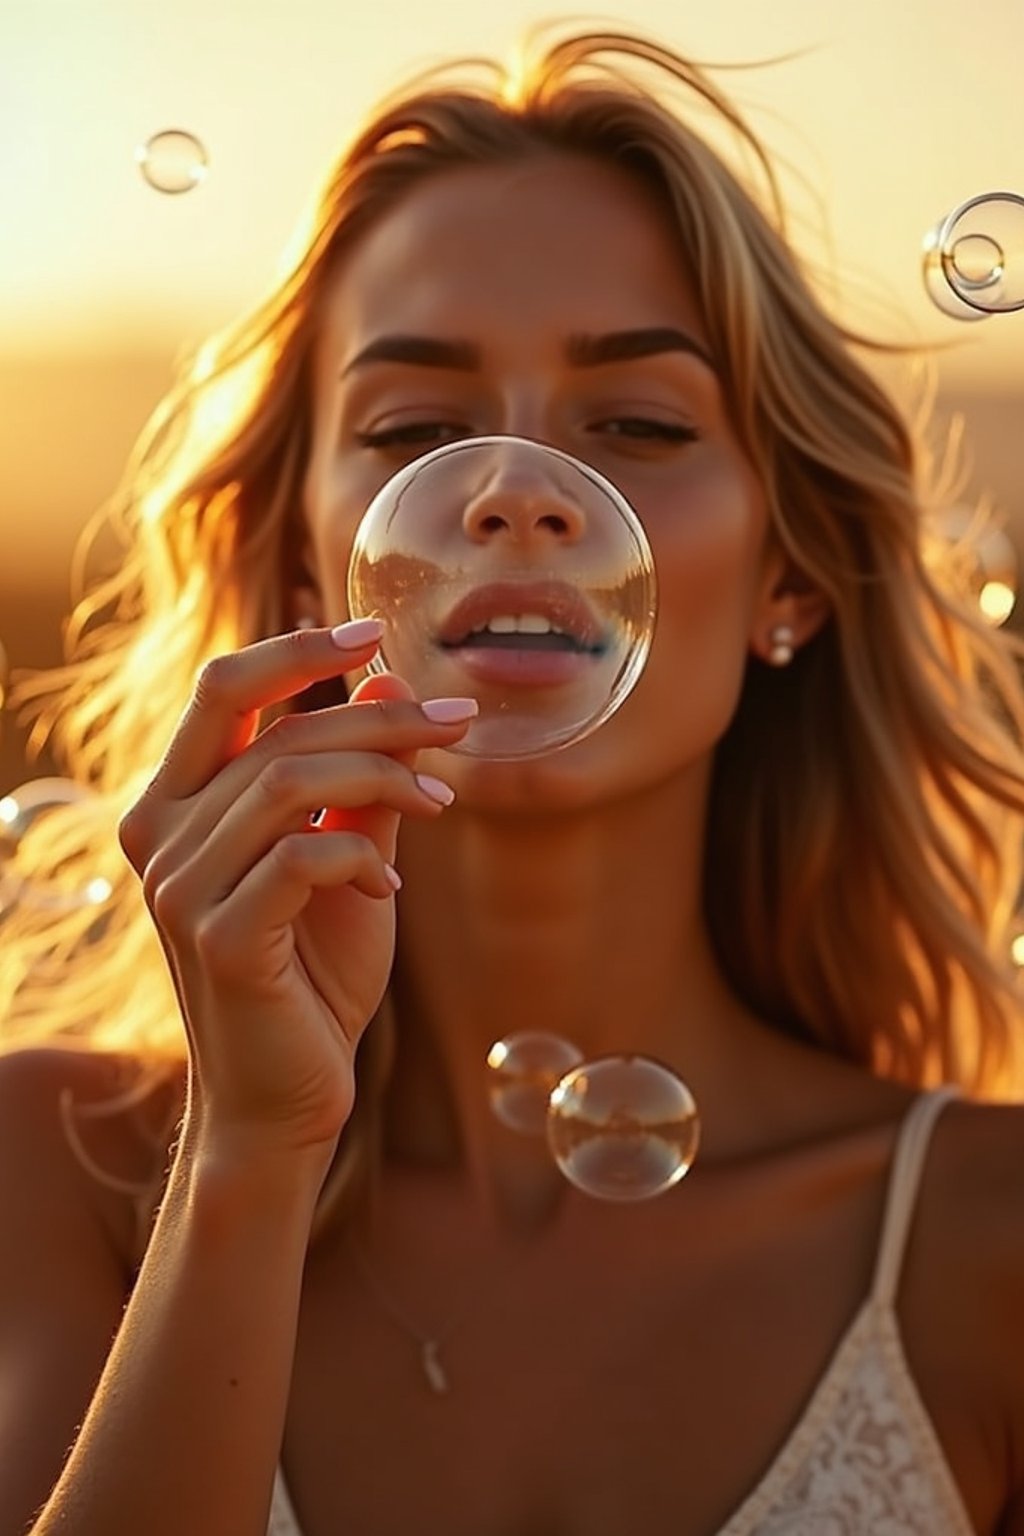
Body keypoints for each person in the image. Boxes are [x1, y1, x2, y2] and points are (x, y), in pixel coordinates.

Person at [1, 22, 1024, 1536]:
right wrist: (248, 1154)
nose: (518, 492)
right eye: (416, 427)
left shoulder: (986, 1235)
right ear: (300, 556)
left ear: (787, 577)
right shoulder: (49, 1174)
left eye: (636, 424)